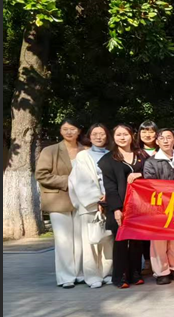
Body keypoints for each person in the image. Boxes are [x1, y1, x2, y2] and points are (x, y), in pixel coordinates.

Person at [36, 120, 87, 288]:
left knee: (80, 238)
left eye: (72, 129)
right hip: (58, 199)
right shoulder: (50, 150)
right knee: (63, 240)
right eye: (65, 129)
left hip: (82, 200)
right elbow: (41, 175)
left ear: (79, 131)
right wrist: (68, 181)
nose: (69, 132)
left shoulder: (86, 150)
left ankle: (79, 273)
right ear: (60, 131)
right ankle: (66, 277)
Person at [98, 124, 147, 288]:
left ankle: (136, 273)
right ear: (113, 137)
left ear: (132, 136)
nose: (122, 137)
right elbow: (110, 187)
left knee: (137, 241)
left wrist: (140, 174)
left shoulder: (142, 155)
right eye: (118, 134)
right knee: (120, 241)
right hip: (120, 205)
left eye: (125, 134)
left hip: (140, 206)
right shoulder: (108, 159)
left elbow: (152, 173)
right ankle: (120, 276)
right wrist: (116, 209)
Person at [142, 128, 174, 285]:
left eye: (169, 137)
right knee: (159, 241)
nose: (166, 140)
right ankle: (161, 272)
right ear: (157, 141)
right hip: (159, 207)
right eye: (162, 138)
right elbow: (149, 184)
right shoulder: (151, 162)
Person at [68, 123, 113, 288]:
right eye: (95, 134)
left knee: (108, 240)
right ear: (89, 136)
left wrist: (109, 198)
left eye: (102, 134)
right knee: (90, 243)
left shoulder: (113, 155)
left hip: (110, 202)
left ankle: (108, 273)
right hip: (89, 204)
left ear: (107, 136)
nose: (99, 137)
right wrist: (97, 200)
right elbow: (80, 181)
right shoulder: (83, 156)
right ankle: (92, 276)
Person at [137, 120, 158, 275]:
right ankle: (147, 261)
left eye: (151, 131)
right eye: (144, 131)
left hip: (161, 198)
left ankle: (161, 262)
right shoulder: (135, 152)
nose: (147, 135)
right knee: (144, 230)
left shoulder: (165, 151)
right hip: (141, 199)